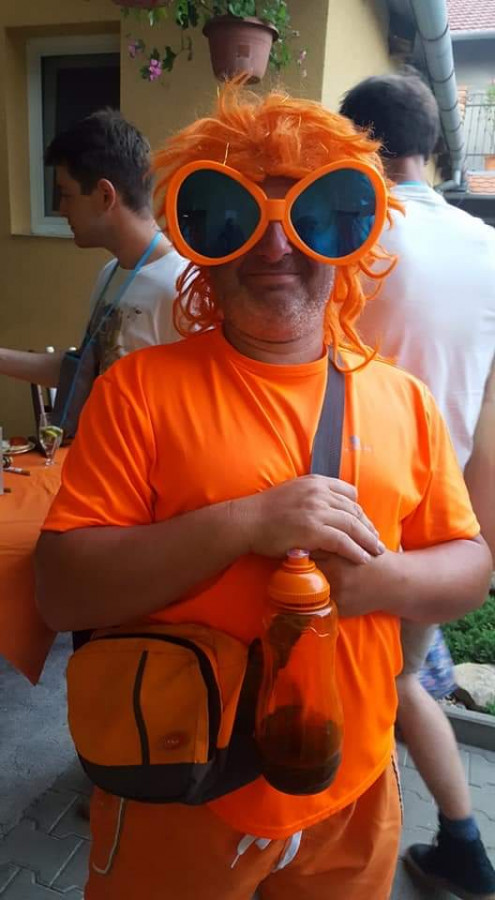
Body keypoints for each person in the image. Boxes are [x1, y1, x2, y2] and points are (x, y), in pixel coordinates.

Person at [35, 85, 492, 900]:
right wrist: (247, 522)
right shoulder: (140, 390)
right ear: (202, 244)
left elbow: (468, 566)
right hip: (179, 791)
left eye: (315, 216)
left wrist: (380, 581)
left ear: (353, 238)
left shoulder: (404, 401)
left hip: (350, 793)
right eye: (231, 217)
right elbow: (64, 591)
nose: (275, 246)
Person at [340, 70, 495, 900]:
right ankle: (461, 842)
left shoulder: (347, 233)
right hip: (436, 519)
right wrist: (476, 546)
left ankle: (332, 848)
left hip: (342, 507)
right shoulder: (487, 248)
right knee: (396, 681)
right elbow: (489, 409)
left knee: (346, 686)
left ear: (355, 146)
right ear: (430, 147)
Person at [0, 109, 186, 400]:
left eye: (66, 194)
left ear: (105, 196)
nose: (61, 209)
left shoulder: (180, 290)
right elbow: (84, 372)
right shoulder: (110, 274)